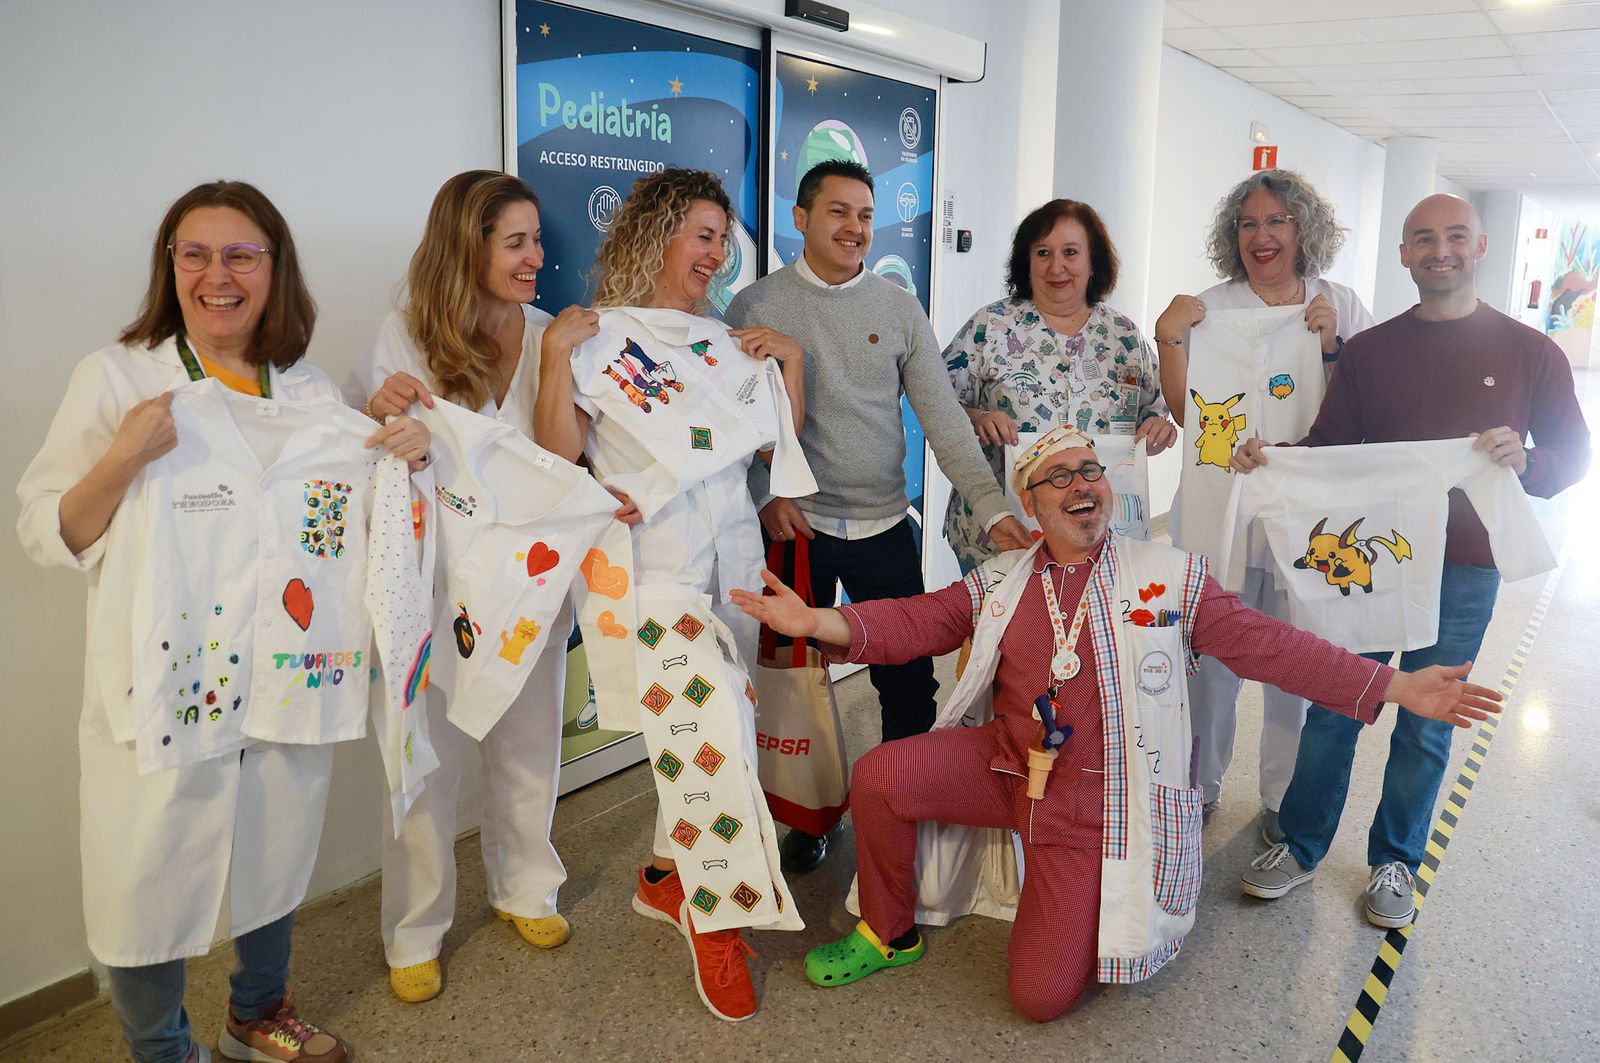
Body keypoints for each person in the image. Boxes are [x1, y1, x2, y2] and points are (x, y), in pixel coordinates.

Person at [731, 425, 1502, 1022]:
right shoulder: (1000, 578)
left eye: (1090, 470)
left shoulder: (1171, 578)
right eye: (1056, 476)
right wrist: (817, 621)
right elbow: (915, 622)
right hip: (1004, 767)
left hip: (1092, 810)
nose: (1079, 484)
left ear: (1110, 489)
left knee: (1036, 997)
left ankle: (1082, 904)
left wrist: (1393, 683)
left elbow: (1274, 648)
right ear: (1029, 505)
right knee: (882, 773)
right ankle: (887, 929)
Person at [15, 181, 425, 1063]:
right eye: (195, 254)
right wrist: (123, 458)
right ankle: (162, 1048)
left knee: (276, 853)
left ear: (274, 269)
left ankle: (256, 1012)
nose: (218, 274)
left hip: (285, 671)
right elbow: (46, 532)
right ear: (171, 268)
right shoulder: (120, 376)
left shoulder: (311, 393)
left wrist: (408, 452)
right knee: (144, 877)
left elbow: (366, 520)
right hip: (170, 682)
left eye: (242, 254)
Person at [1234, 193, 1590, 927]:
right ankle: (1301, 845)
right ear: (1404, 254)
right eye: (1423, 238)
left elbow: (1574, 454)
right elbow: (1331, 449)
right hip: (1371, 559)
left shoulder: (1532, 352)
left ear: (1481, 245)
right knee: (1340, 698)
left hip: (1467, 570)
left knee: (1429, 718)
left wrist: (1527, 458)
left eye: (1455, 236)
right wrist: (1272, 460)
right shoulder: (1371, 353)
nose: (1440, 250)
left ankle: (1396, 859)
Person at [534, 168, 811, 1023]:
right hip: (649, 571)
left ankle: (663, 876)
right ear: (656, 236)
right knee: (710, 732)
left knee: (716, 722)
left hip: (730, 558)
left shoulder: (728, 344)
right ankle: (713, 915)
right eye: (702, 234)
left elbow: (777, 450)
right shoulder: (599, 339)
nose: (716, 252)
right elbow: (557, 451)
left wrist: (788, 364)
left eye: (722, 238)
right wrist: (551, 358)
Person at [342, 170, 611, 1003]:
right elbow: (362, 451)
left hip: (529, 590)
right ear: (468, 246)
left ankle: (527, 886)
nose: (537, 257)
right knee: (423, 766)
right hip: (429, 593)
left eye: (538, 240)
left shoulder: (548, 336)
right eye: (516, 242)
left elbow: (567, 459)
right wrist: (380, 414)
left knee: (529, 746)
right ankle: (414, 929)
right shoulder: (405, 336)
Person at [723, 159, 1032, 873]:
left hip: (885, 528)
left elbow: (946, 422)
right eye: (837, 212)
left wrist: (991, 511)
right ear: (799, 220)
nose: (854, 228)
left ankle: (904, 806)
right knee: (792, 686)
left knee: (904, 684)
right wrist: (767, 492)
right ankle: (811, 816)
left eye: (865, 215)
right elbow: (732, 424)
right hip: (795, 533)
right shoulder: (753, 306)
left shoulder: (897, 308)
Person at [1151, 169, 1377, 837]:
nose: (1262, 235)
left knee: (1296, 659)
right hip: (1220, 505)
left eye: (1276, 221)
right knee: (1211, 657)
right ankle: (1198, 786)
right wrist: (1170, 337)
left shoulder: (1341, 303)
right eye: (1248, 224)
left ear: (1303, 228)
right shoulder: (1208, 307)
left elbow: (1363, 410)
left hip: (1306, 513)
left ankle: (1281, 797)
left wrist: (1333, 344)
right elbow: (1185, 414)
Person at [943, 198, 1176, 572]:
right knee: (1003, 629)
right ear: (1027, 260)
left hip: (1097, 533)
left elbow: (1155, 411)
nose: (1057, 267)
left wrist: (1157, 429)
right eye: (1043, 253)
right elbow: (937, 404)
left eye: (1070, 252)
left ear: (1092, 262)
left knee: (1090, 629)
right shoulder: (991, 327)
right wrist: (978, 416)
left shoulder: (1124, 337)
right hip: (1004, 530)